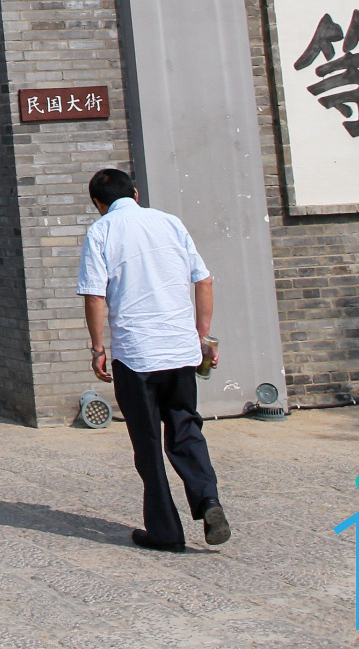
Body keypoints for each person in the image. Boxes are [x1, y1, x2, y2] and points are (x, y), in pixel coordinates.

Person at [77, 167, 231, 552]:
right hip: (180, 350)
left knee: (147, 442)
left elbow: (95, 295)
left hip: (137, 355)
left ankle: (165, 531)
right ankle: (207, 500)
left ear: (98, 203)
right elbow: (204, 280)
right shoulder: (169, 223)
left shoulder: (101, 232)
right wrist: (204, 337)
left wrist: (98, 348)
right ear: (135, 193)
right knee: (185, 427)